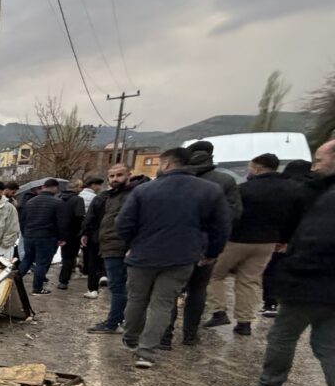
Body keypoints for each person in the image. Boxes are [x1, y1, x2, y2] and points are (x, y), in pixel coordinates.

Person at [231, 139, 335, 386]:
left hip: (311, 284)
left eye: (319, 161)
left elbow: (318, 240)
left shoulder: (328, 198)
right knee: (327, 343)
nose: (314, 167)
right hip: (323, 285)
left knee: (282, 337)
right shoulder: (318, 192)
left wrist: (292, 276)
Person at [116, 147, 231, 369]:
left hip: (143, 255)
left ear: (167, 164)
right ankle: (146, 353)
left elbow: (123, 224)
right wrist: (210, 253)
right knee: (163, 303)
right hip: (182, 256)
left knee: (137, 298)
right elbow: (221, 227)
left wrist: (132, 244)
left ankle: (131, 337)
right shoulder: (211, 191)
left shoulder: (144, 190)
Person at [204, 153, 310, 335]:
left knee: (215, 274)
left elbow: (232, 214)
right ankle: (244, 322)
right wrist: (284, 239)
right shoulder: (292, 190)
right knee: (250, 280)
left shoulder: (244, 189)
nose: (248, 170)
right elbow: (296, 217)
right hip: (268, 242)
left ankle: (218, 311)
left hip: (237, 239)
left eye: (250, 167)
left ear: (258, 168)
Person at [163, 140, 243, 346]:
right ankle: (190, 335)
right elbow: (232, 215)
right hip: (204, 244)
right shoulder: (224, 181)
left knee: (169, 289)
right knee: (197, 290)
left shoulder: (167, 180)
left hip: (172, 244)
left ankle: (165, 335)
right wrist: (214, 248)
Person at [83, 163, 134, 333]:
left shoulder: (132, 195)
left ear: (129, 175)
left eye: (119, 175)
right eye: (112, 176)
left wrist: (132, 245)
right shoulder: (110, 196)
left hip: (120, 247)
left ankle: (114, 323)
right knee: (118, 286)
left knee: (118, 286)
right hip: (110, 245)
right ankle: (120, 320)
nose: (115, 179)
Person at [262, 159, 314, 317]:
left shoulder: (284, 188)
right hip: (310, 238)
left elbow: (281, 215)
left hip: (282, 237)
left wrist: (281, 238)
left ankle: (271, 303)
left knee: (273, 269)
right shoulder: (317, 188)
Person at [18, 178, 61, 295]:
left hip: (29, 236)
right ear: (55, 188)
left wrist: (25, 233)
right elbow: (60, 222)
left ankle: (14, 282)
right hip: (46, 237)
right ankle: (37, 288)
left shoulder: (30, 202)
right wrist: (60, 237)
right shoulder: (57, 203)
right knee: (41, 263)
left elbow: (22, 220)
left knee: (27, 259)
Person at [55, 179, 85, 290]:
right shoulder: (78, 200)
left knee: (52, 257)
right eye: (80, 187)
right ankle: (63, 281)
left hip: (57, 231)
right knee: (69, 257)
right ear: (77, 188)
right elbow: (79, 217)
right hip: (72, 233)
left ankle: (41, 277)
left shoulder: (58, 198)